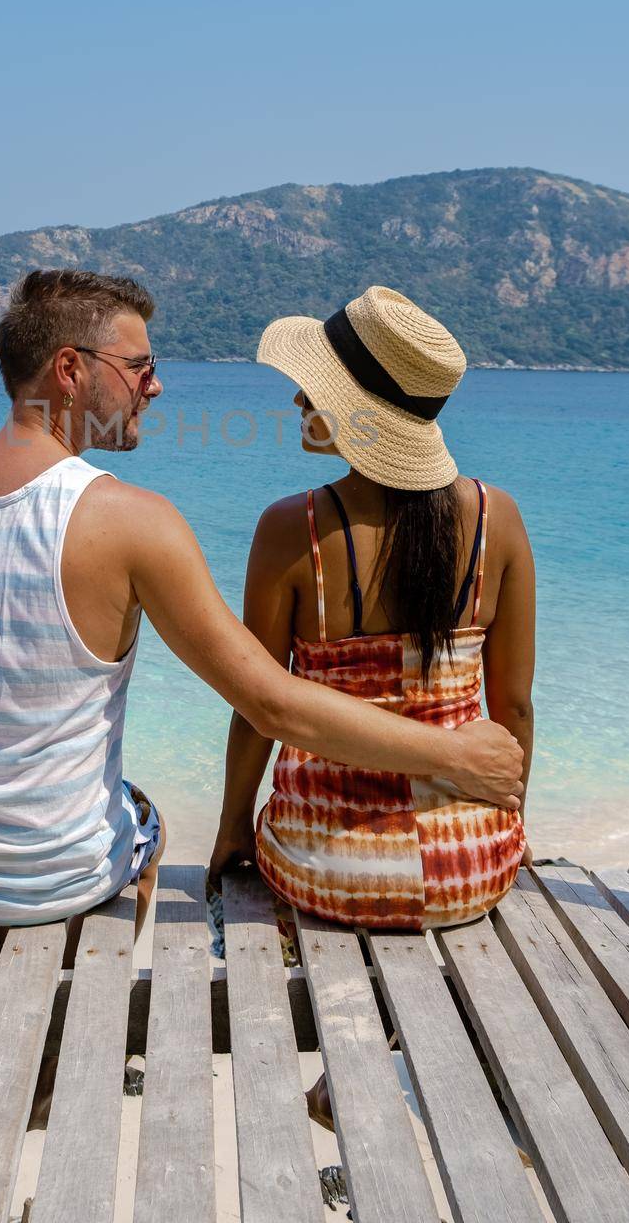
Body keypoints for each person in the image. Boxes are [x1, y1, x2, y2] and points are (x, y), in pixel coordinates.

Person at [0, 270, 524, 942]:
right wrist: (457, 757)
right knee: (141, 819)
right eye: (139, 366)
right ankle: (103, 1005)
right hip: (51, 884)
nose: (155, 386)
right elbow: (270, 703)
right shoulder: (133, 522)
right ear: (69, 369)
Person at [209, 285, 534, 956]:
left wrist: (232, 829)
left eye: (315, 388)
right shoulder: (496, 518)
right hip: (470, 872)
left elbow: (255, 709)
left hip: (324, 869)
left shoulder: (290, 529)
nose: (298, 401)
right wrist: (506, 830)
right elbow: (515, 708)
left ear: (360, 411)